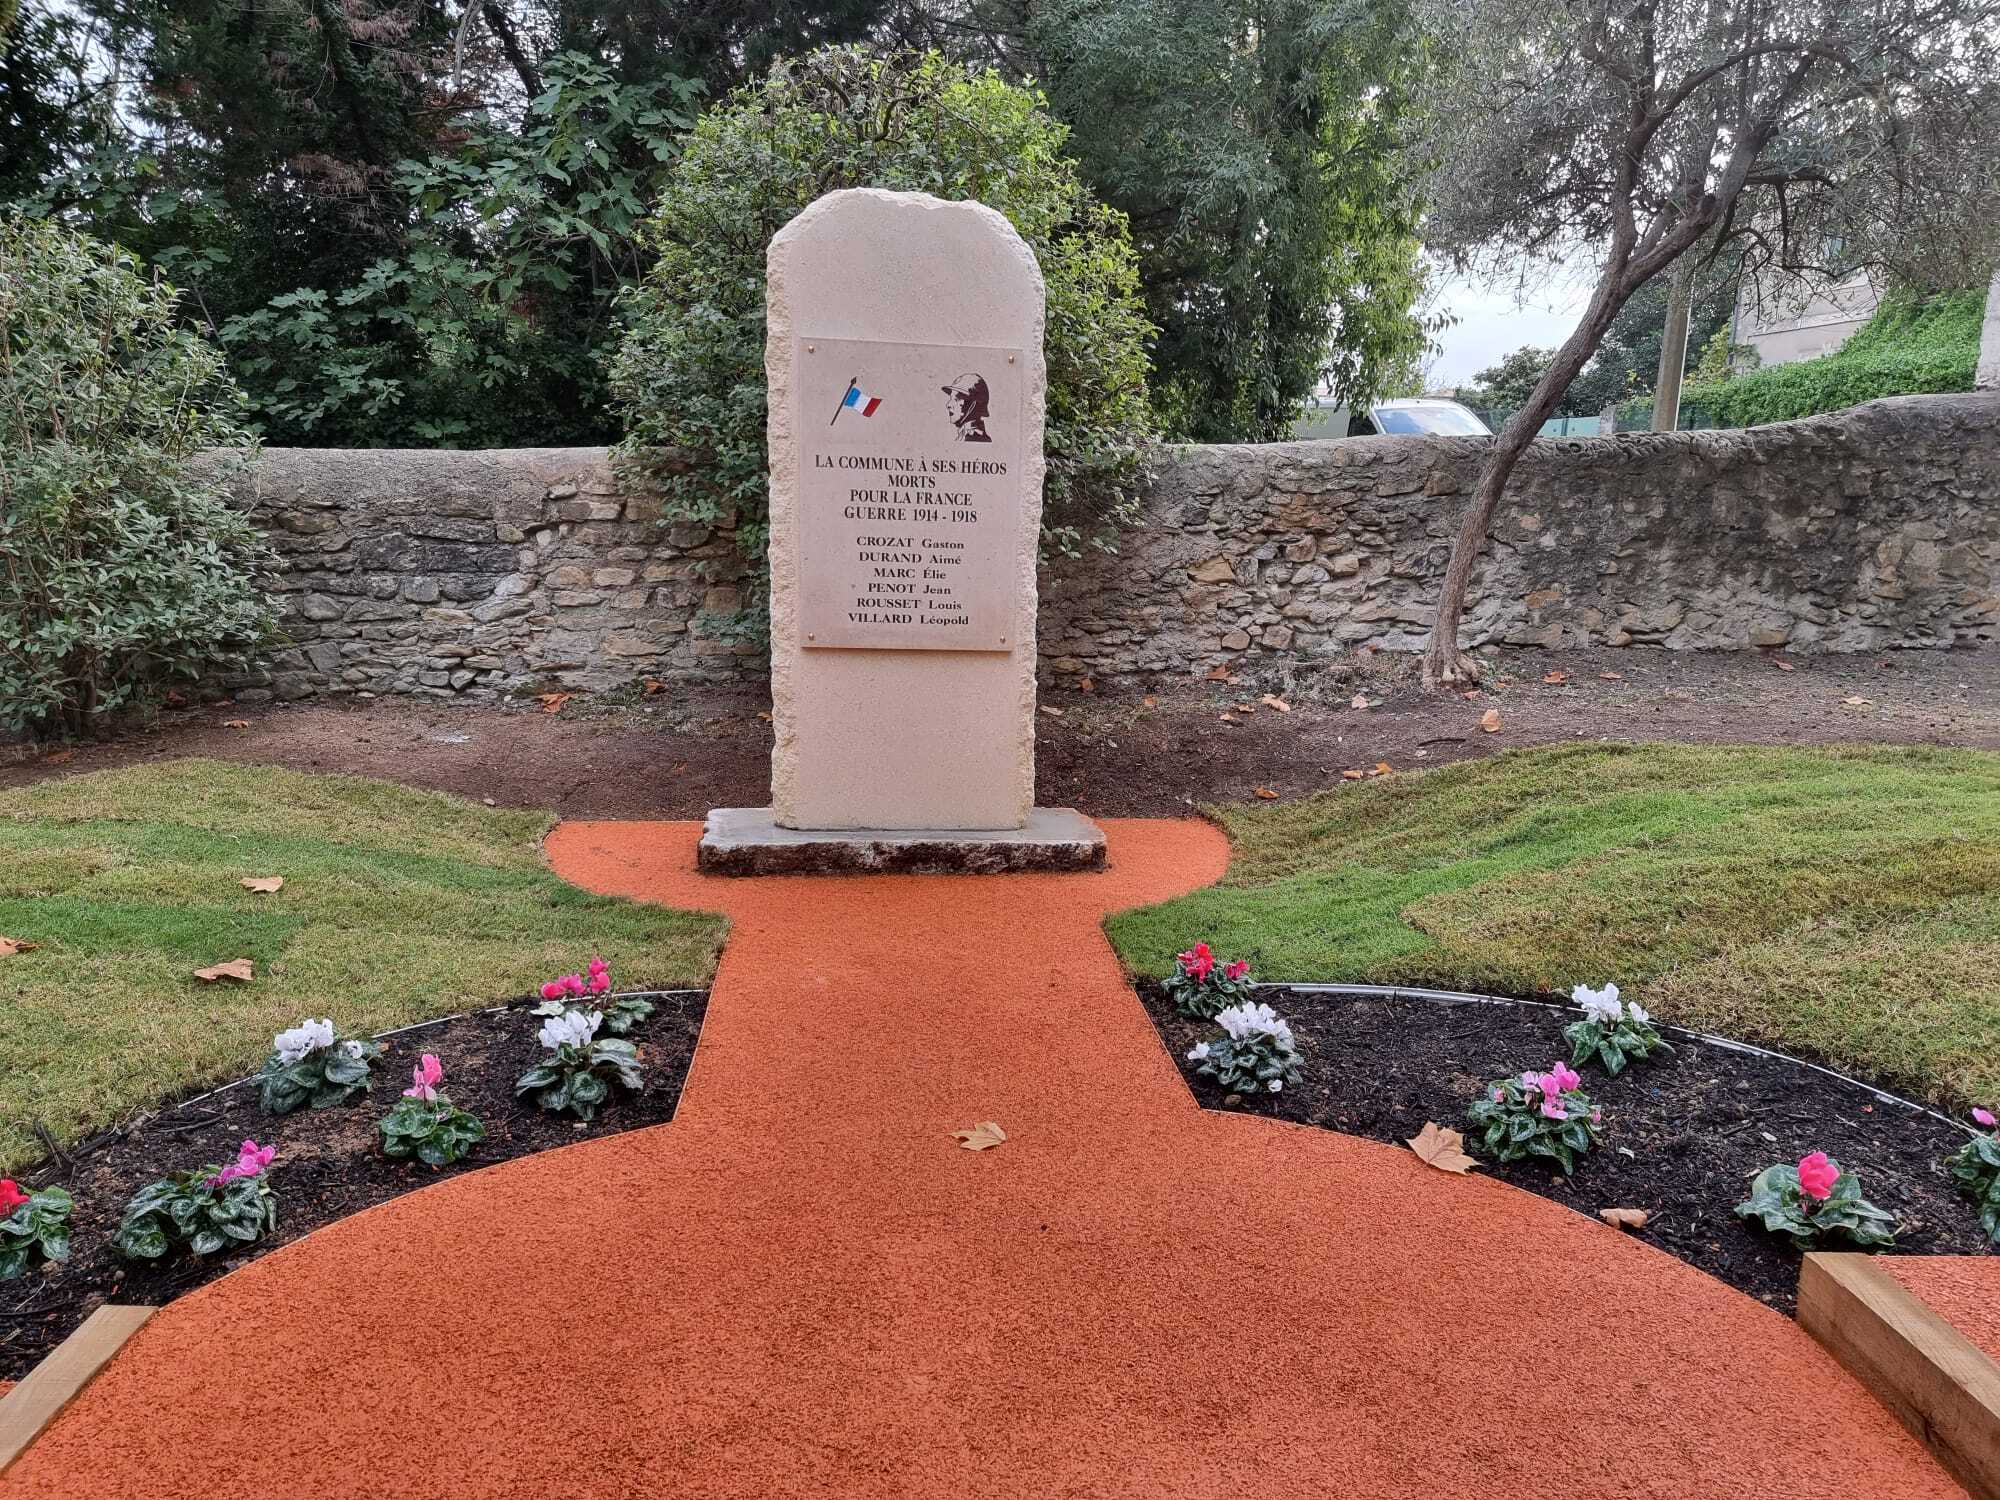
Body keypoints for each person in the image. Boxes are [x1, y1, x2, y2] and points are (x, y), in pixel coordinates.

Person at [941, 373, 993, 442]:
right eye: (951, 398)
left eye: (957, 399)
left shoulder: (975, 437)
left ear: (973, 404)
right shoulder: (963, 435)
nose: (948, 405)